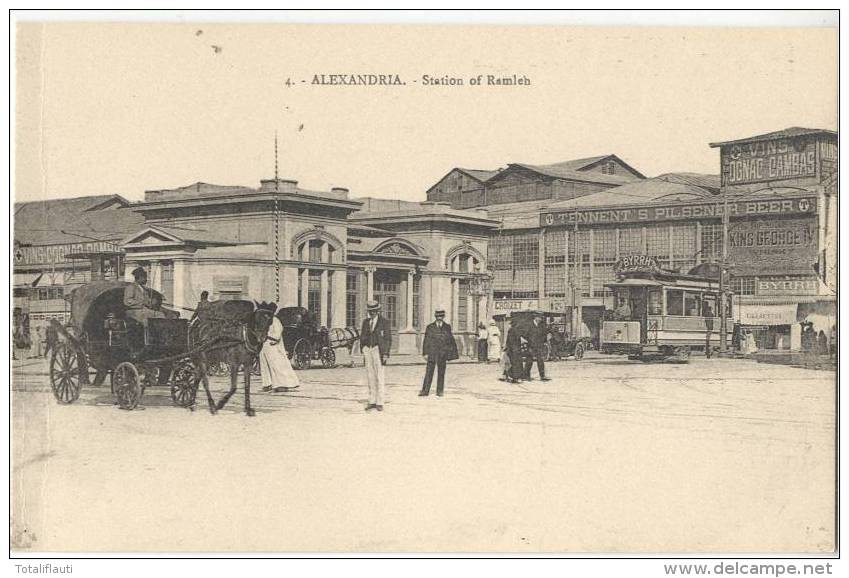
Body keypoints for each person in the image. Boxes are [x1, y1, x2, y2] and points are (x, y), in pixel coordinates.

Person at [258, 305, 300, 393]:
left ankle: (282, 384)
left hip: (272, 345)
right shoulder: (265, 321)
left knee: (276, 364)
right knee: (264, 365)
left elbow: (278, 332)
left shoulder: (275, 321)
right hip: (264, 344)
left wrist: (271, 338)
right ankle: (267, 384)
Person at [419, 308, 459, 397]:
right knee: (429, 372)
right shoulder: (430, 327)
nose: (439, 318)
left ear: (443, 317)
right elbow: (426, 340)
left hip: (442, 353)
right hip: (432, 353)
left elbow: (450, 340)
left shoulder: (447, 327)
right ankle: (425, 391)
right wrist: (425, 353)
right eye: (438, 316)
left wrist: (450, 353)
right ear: (435, 317)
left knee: (441, 373)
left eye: (441, 316)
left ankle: (440, 391)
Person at [360, 300, 391, 411]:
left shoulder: (384, 322)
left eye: (373, 311)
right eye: (370, 311)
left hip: (379, 350)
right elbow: (362, 336)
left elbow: (388, 339)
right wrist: (363, 348)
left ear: (378, 311)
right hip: (368, 350)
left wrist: (386, 353)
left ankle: (380, 401)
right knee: (370, 376)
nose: (371, 313)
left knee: (379, 376)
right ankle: (372, 400)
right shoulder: (365, 322)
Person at [523, 312, 551, 381]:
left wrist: (546, 337)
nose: (540, 319)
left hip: (539, 346)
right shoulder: (529, 325)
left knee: (540, 360)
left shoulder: (540, 326)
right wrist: (529, 341)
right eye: (539, 318)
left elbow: (543, 334)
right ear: (535, 317)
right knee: (529, 361)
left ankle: (542, 376)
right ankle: (526, 376)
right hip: (531, 346)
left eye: (541, 318)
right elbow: (525, 334)